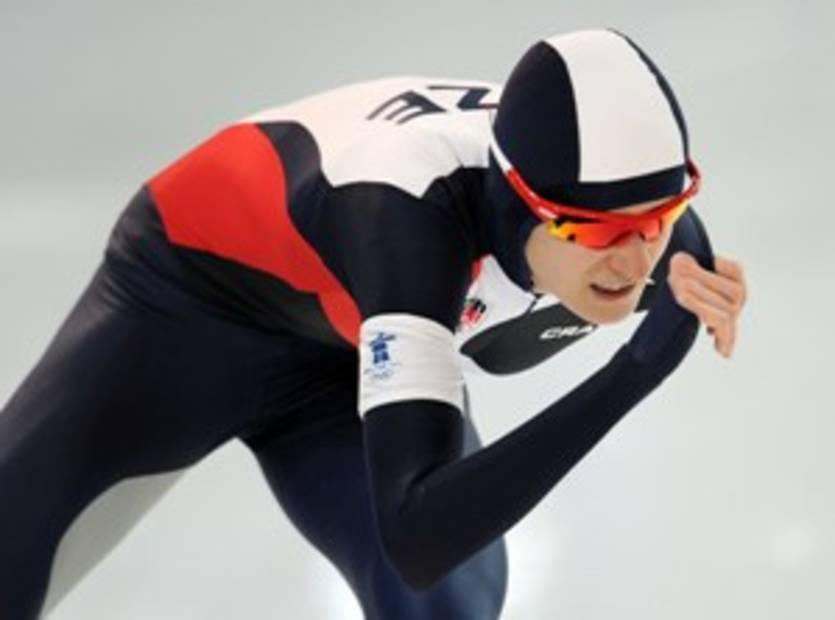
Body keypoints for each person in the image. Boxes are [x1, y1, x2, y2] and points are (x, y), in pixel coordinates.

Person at [0, 28, 747, 619]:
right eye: (594, 229)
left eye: (660, 216)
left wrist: (641, 244)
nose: (635, 257)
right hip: (188, 309)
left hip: (344, 346)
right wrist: (631, 375)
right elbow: (417, 532)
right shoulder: (405, 216)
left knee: (445, 608)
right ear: (516, 200)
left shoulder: (664, 247)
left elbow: (429, 546)